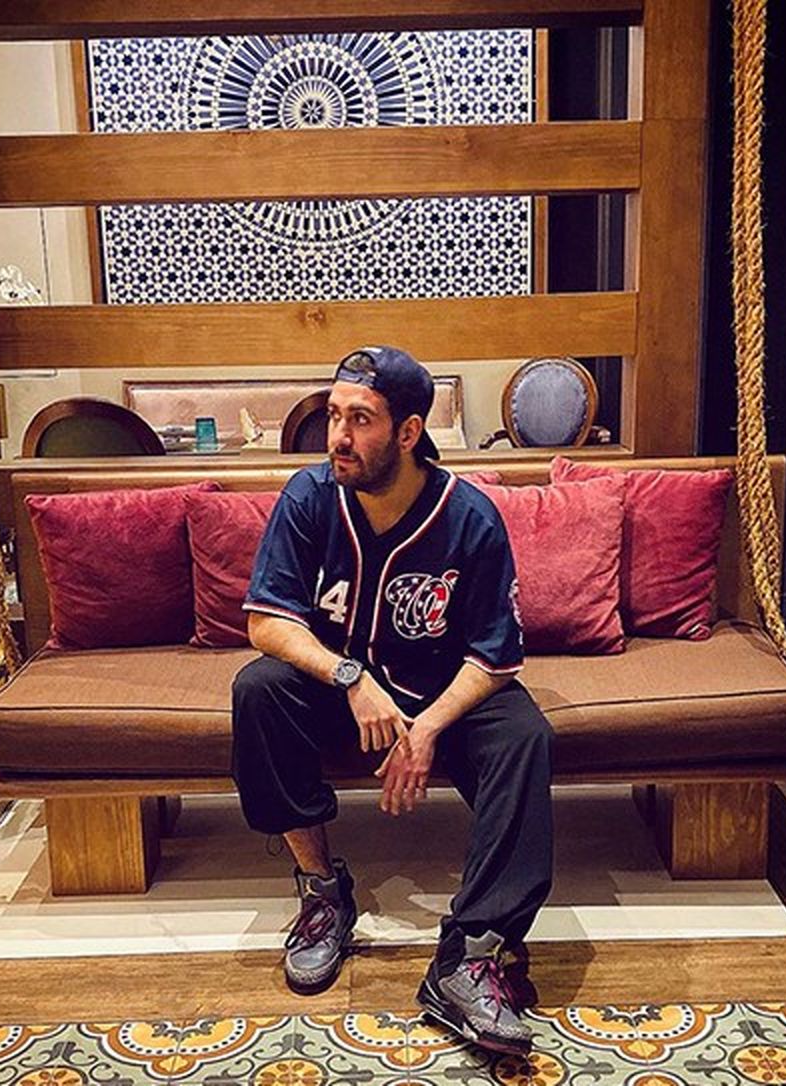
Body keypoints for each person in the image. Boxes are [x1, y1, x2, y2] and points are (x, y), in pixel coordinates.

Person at [231, 346, 554, 1055]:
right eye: (334, 416)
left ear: (409, 432)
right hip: (341, 692)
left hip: (441, 692)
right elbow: (266, 623)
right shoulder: (310, 498)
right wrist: (351, 677)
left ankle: (471, 953)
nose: (339, 437)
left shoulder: (469, 516)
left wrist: (428, 728)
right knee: (259, 689)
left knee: (523, 735)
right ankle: (322, 891)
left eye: (361, 419)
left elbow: (496, 655)